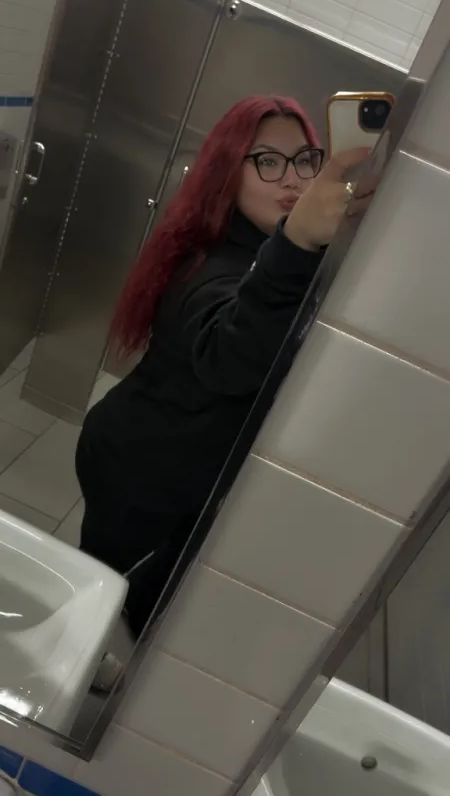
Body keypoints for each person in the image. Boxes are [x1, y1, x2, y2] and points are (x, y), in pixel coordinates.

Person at [76, 94, 369, 645]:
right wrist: (297, 241)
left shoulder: (265, 249)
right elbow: (228, 356)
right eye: (267, 161)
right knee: (105, 605)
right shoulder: (207, 263)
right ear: (226, 176)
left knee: (121, 602)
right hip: (141, 474)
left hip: (164, 463)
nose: (292, 178)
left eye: (304, 159)